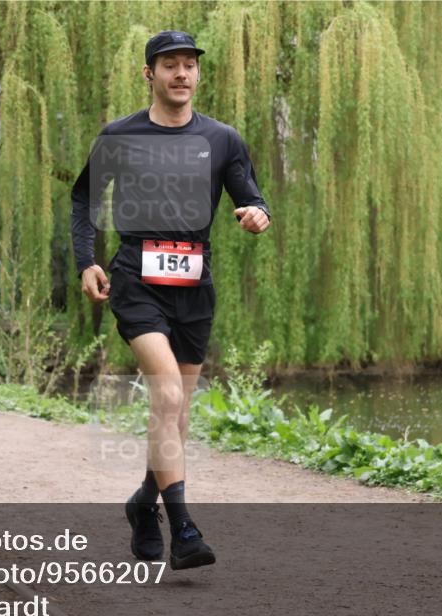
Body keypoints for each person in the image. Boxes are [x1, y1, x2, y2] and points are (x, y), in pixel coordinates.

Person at [71, 31, 271, 570]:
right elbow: (84, 198)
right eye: (170, 66)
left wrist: (258, 216)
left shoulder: (223, 139)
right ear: (149, 75)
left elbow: (251, 197)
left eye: (189, 66)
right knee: (168, 396)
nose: (181, 74)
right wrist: (86, 260)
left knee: (177, 411)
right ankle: (183, 527)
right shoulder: (119, 135)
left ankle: (143, 502)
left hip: (195, 280)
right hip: (136, 276)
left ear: (197, 75)